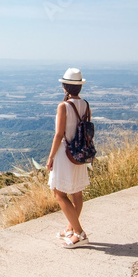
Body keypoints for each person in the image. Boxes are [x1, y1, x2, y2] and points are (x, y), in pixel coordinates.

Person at [46, 68, 90, 249]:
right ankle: (70, 229)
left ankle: (80, 234)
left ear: (64, 87)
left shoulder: (63, 106)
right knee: (76, 192)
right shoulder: (86, 104)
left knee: (58, 193)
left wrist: (50, 158)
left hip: (65, 152)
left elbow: (59, 134)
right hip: (80, 152)